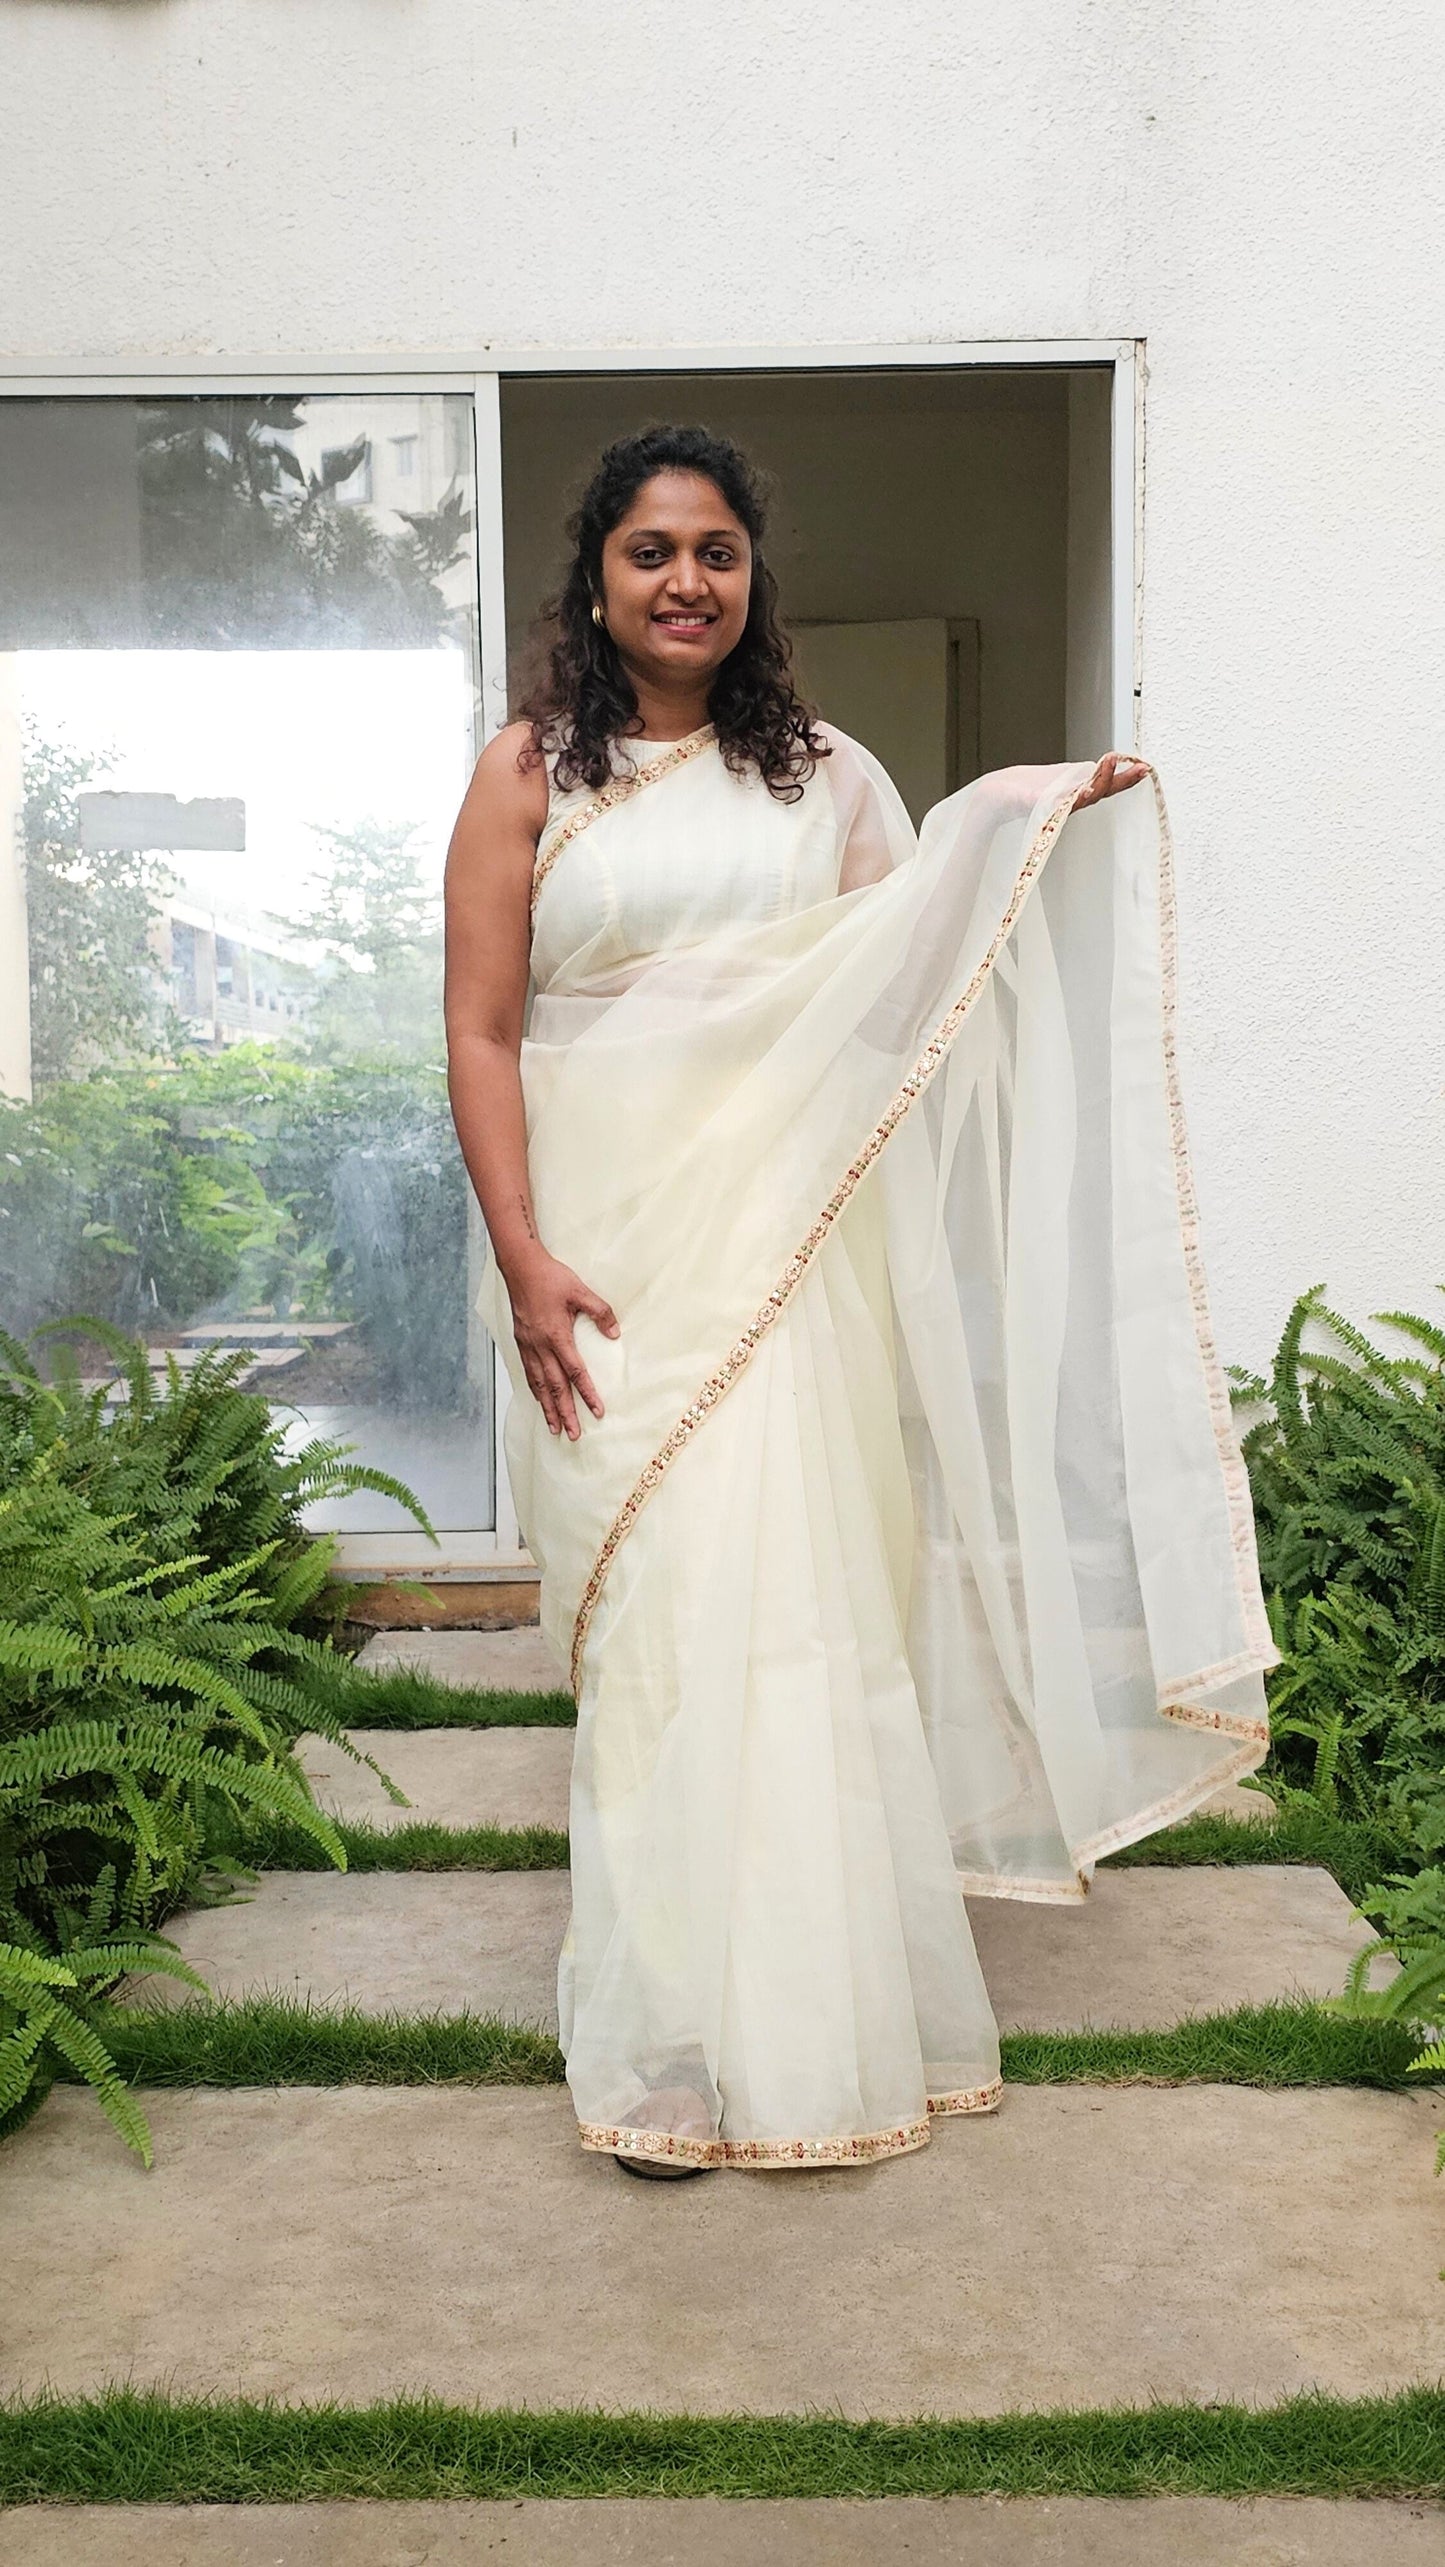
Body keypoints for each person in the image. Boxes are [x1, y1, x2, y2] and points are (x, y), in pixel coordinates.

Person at [444, 424, 1278, 2182]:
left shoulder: (825, 779)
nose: (686, 581)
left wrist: (1009, 820)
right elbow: (483, 1028)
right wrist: (519, 1250)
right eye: (652, 550)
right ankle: (667, 2036)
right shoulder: (530, 771)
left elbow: (897, 987)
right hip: (603, 1266)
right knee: (658, 1641)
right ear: (593, 578)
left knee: (791, 1620)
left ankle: (815, 2024)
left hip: (774, 1271)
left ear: (756, 582)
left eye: (718, 553)